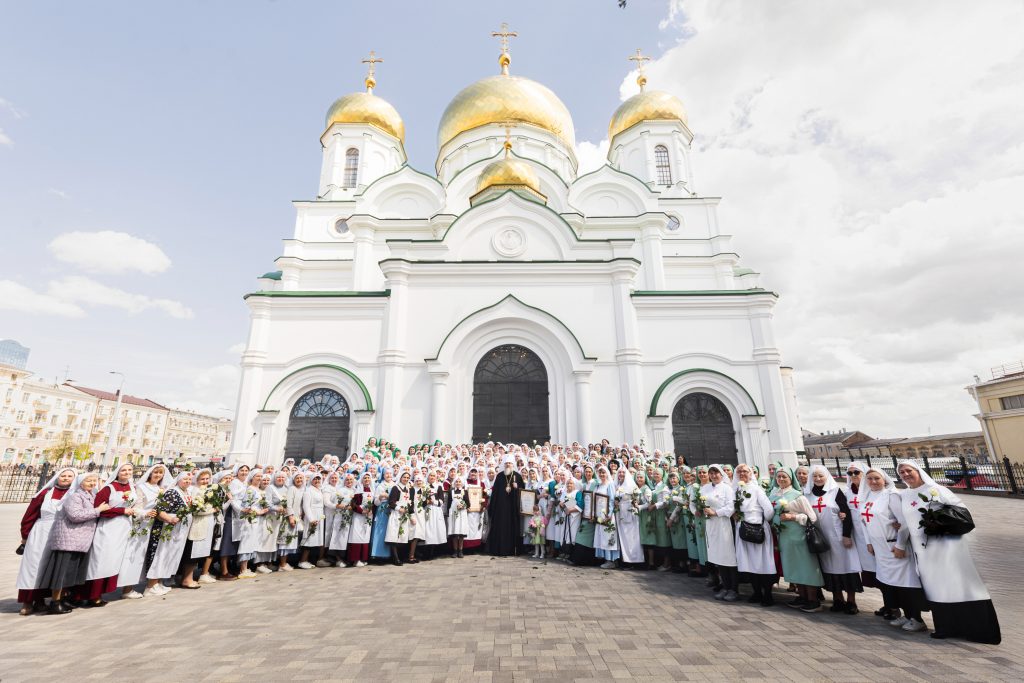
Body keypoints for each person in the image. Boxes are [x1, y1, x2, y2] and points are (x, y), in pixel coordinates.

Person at [894, 460, 1000, 644]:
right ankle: (945, 627)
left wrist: (937, 522)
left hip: (948, 545)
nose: (905, 474)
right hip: (924, 551)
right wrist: (900, 542)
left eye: (908, 470)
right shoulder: (904, 495)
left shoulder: (937, 490)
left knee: (958, 583)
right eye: (901, 472)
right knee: (937, 587)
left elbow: (962, 512)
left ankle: (978, 630)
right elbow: (905, 523)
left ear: (918, 471)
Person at [861, 466, 927, 632]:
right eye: (869, 479)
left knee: (906, 582)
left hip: (893, 545)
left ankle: (916, 618)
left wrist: (900, 545)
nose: (873, 482)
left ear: (884, 479)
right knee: (891, 583)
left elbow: (903, 522)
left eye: (877, 478)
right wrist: (869, 542)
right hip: (879, 548)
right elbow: (864, 521)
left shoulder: (891, 496)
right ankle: (905, 614)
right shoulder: (868, 496)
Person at [37, 472, 108, 614]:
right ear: (80, 482)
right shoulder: (74, 496)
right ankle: (55, 602)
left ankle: (64, 599)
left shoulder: (90, 495)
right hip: (68, 539)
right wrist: (98, 510)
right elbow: (75, 515)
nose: (92, 483)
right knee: (61, 572)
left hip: (81, 539)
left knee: (70, 572)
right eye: (89, 481)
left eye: (94, 480)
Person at [80, 462, 149, 607]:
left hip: (124, 527)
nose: (127, 472)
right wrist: (121, 511)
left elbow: (135, 507)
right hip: (108, 527)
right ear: (117, 472)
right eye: (124, 470)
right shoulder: (108, 488)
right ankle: (93, 594)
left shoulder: (132, 487)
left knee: (114, 560)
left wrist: (144, 513)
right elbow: (100, 509)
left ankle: (104, 591)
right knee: (100, 560)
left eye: (129, 470)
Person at [16, 466, 76, 615]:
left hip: (62, 533)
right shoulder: (45, 493)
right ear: (57, 477)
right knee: (33, 566)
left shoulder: (74, 494)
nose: (66, 478)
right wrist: (25, 535)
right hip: (41, 532)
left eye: (70, 476)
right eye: (63, 475)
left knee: (53, 567)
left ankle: (45, 600)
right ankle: (28, 601)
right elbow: (30, 515)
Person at [805, 464, 862, 613]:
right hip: (821, 538)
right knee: (830, 569)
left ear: (827, 477)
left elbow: (846, 513)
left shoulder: (835, 492)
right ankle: (838, 599)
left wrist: (846, 535)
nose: (817, 479)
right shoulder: (808, 494)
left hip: (839, 537)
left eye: (821, 476)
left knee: (847, 567)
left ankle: (851, 602)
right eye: (815, 476)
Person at [770, 467, 824, 613]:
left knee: (806, 567)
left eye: (784, 477)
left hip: (798, 537)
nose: (781, 479)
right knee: (793, 566)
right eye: (778, 476)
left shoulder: (798, 496)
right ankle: (802, 596)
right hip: (784, 538)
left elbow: (812, 518)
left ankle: (813, 599)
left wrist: (793, 517)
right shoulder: (773, 495)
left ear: (790, 479)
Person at [733, 463, 777, 606]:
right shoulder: (736, 490)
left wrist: (760, 521)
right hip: (743, 528)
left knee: (762, 562)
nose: (742, 474)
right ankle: (756, 592)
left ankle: (768, 594)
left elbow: (769, 510)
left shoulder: (757, 489)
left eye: (745, 471)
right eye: (739, 471)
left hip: (758, 528)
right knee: (749, 562)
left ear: (750, 473)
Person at [145, 470, 195, 596]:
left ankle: (159, 582)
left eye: (189, 480)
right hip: (168, 529)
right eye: (185, 479)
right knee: (161, 555)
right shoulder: (173, 492)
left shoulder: (187, 493)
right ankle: (151, 585)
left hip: (179, 531)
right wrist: (170, 519)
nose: (187, 482)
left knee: (170, 555)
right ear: (178, 480)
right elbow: (160, 510)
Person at [703, 464, 738, 601]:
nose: (713, 476)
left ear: (721, 474)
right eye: (711, 473)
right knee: (718, 557)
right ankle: (725, 586)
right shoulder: (705, 488)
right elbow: (702, 503)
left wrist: (716, 512)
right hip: (711, 525)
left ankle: (734, 589)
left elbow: (731, 508)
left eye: (716, 473)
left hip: (724, 525)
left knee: (728, 558)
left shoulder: (727, 489)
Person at [180, 468, 217, 586]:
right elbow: (196, 510)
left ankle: (192, 577)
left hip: (207, 523)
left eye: (207, 478)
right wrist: (213, 509)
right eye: (202, 479)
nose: (205, 481)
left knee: (199, 552)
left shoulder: (207, 490)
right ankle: (187, 578)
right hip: (198, 524)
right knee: (192, 552)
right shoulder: (195, 491)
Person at [487, 457, 524, 557]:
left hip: (513, 509)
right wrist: (492, 508)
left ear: (513, 465)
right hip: (501, 509)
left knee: (512, 528)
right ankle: (499, 549)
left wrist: (517, 488)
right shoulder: (499, 476)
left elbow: (523, 494)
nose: (508, 465)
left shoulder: (518, 476)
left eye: (510, 463)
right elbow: (494, 493)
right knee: (500, 528)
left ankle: (512, 550)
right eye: (506, 463)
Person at [613, 467, 644, 567]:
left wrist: (634, 502)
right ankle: (624, 560)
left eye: (623, 472)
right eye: (619, 472)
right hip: (620, 513)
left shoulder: (631, 485)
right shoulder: (616, 485)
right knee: (622, 537)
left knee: (631, 538)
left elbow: (638, 498)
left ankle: (634, 561)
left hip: (629, 513)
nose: (621, 474)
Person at [385, 470, 415, 565]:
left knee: (402, 537)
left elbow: (410, 504)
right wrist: (399, 508)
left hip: (404, 516)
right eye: (404, 477)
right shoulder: (395, 488)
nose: (406, 479)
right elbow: (391, 502)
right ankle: (395, 559)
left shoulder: (409, 489)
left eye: (407, 478)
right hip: (396, 515)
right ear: (400, 478)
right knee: (394, 536)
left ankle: (401, 557)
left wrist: (411, 516)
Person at [593, 466, 620, 569]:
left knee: (608, 536)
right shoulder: (598, 485)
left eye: (603, 473)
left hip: (608, 516)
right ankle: (606, 559)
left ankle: (611, 560)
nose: (601, 475)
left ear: (607, 473)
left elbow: (612, 501)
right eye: (600, 473)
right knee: (602, 537)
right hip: (599, 515)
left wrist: (609, 515)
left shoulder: (610, 485)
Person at [298, 471, 326, 569]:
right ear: (311, 480)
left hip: (319, 516)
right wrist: (311, 519)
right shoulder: (308, 490)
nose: (317, 480)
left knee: (315, 539)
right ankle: (302, 561)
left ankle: (307, 560)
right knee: (309, 537)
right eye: (315, 479)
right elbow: (306, 506)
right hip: (312, 516)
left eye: (319, 479)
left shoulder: (319, 490)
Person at [346, 471, 374, 567]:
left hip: (368, 516)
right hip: (358, 516)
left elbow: (374, 503)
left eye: (368, 478)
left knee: (365, 536)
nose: (367, 480)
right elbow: (353, 504)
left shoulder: (372, 490)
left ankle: (363, 558)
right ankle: (355, 559)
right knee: (357, 536)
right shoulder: (358, 490)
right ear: (361, 480)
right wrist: (362, 511)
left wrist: (371, 510)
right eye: (365, 478)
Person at [369, 468, 394, 562]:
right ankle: (378, 555)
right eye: (386, 474)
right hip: (382, 510)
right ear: (383, 475)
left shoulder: (394, 485)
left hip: (392, 509)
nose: (388, 475)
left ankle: (390, 555)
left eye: (390, 474)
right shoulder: (380, 486)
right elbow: (375, 502)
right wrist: (379, 497)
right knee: (380, 531)